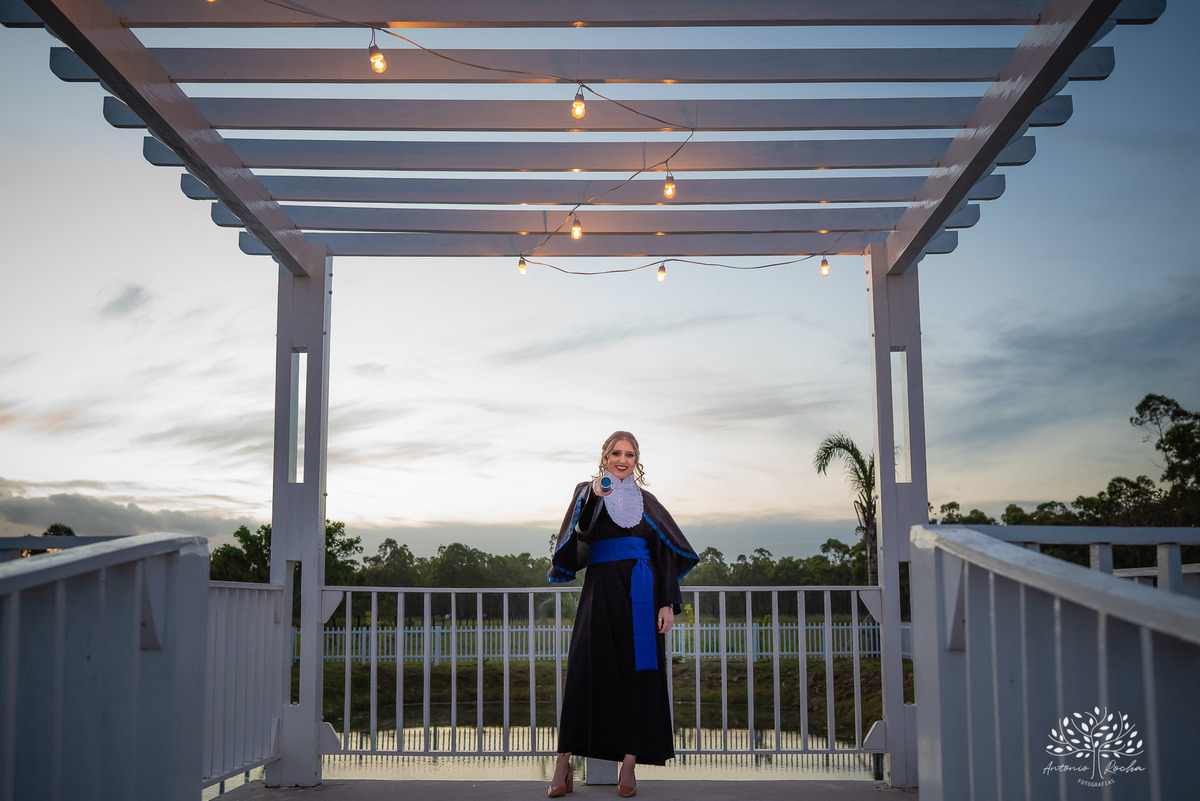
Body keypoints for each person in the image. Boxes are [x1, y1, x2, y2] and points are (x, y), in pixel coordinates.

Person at [546, 431, 698, 798]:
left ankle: (629, 766)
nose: (622, 459)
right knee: (585, 670)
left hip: (641, 596)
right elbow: (580, 532)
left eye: (630, 454)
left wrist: (666, 602)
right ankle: (563, 762)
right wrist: (594, 495)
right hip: (599, 592)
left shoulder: (649, 502)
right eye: (616, 453)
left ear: (637, 460)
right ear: (604, 456)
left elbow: (663, 554)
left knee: (637, 677)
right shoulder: (589, 491)